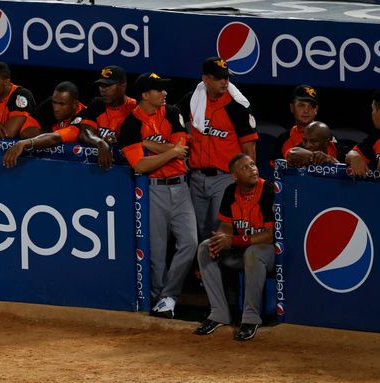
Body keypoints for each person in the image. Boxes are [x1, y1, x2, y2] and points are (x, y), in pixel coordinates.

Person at [117, 72, 197, 319]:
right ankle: (160, 301)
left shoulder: (172, 112)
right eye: (159, 90)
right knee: (157, 255)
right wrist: (170, 150)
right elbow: (139, 166)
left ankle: (168, 296)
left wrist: (151, 146)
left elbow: (182, 149)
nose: (165, 93)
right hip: (153, 190)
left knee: (190, 243)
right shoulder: (130, 124)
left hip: (181, 188)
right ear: (144, 95)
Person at [193, 153, 274, 341]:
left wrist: (235, 241)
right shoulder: (231, 191)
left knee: (253, 253)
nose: (252, 169)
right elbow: (226, 226)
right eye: (245, 167)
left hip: (268, 254)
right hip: (242, 250)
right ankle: (218, 313)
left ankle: (250, 318)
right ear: (234, 176)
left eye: (253, 164)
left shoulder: (268, 190)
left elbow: (271, 236)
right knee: (205, 248)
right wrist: (219, 241)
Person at [179, 57, 257, 244]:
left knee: (220, 231)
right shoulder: (192, 100)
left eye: (226, 77)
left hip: (225, 178)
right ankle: (201, 271)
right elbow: (173, 121)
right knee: (197, 232)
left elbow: (249, 147)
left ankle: (221, 272)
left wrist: (247, 182)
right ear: (205, 79)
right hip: (196, 177)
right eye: (218, 78)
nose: (224, 82)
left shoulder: (237, 107)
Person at [2, 81, 112, 169]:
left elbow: (55, 138)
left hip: (75, 167)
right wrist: (46, 139)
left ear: (75, 104)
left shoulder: (83, 116)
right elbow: (26, 131)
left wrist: (24, 144)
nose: (56, 108)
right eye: (54, 102)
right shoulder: (49, 106)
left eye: (62, 104)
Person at [81, 65, 136, 144]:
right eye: (101, 85)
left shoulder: (135, 108)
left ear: (123, 86)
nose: (103, 90)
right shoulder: (96, 104)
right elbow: (85, 133)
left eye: (108, 85)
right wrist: (100, 142)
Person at [273, 85, 319, 161]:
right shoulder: (283, 139)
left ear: (316, 109)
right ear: (292, 108)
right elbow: (276, 170)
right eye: (301, 105)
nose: (306, 111)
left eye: (311, 106)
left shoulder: (328, 137)